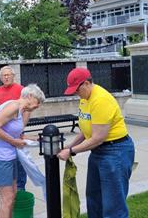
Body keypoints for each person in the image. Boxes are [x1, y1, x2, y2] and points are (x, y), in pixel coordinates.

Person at [57, 68, 135, 218]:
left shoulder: (100, 100)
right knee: (94, 198)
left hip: (115, 151)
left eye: (76, 90)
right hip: (99, 151)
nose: (75, 94)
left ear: (86, 83)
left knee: (113, 205)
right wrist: (69, 145)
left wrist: (71, 151)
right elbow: (87, 130)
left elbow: (97, 138)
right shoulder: (85, 98)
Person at [0, 84, 45, 218]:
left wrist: (37, 139)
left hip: (9, 155)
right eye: (38, 101)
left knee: (12, 196)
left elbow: (17, 135)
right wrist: (13, 142)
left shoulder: (19, 111)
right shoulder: (13, 107)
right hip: (0, 157)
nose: (38, 106)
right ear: (29, 96)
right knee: (7, 199)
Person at [0, 66, 28, 195]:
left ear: (13, 75)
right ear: (0, 78)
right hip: (1, 132)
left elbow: (26, 110)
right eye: (3, 75)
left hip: (15, 131)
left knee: (19, 160)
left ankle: (20, 186)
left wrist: (21, 128)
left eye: (8, 75)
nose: (6, 77)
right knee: (4, 160)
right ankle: (5, 184)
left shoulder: (21, 90)